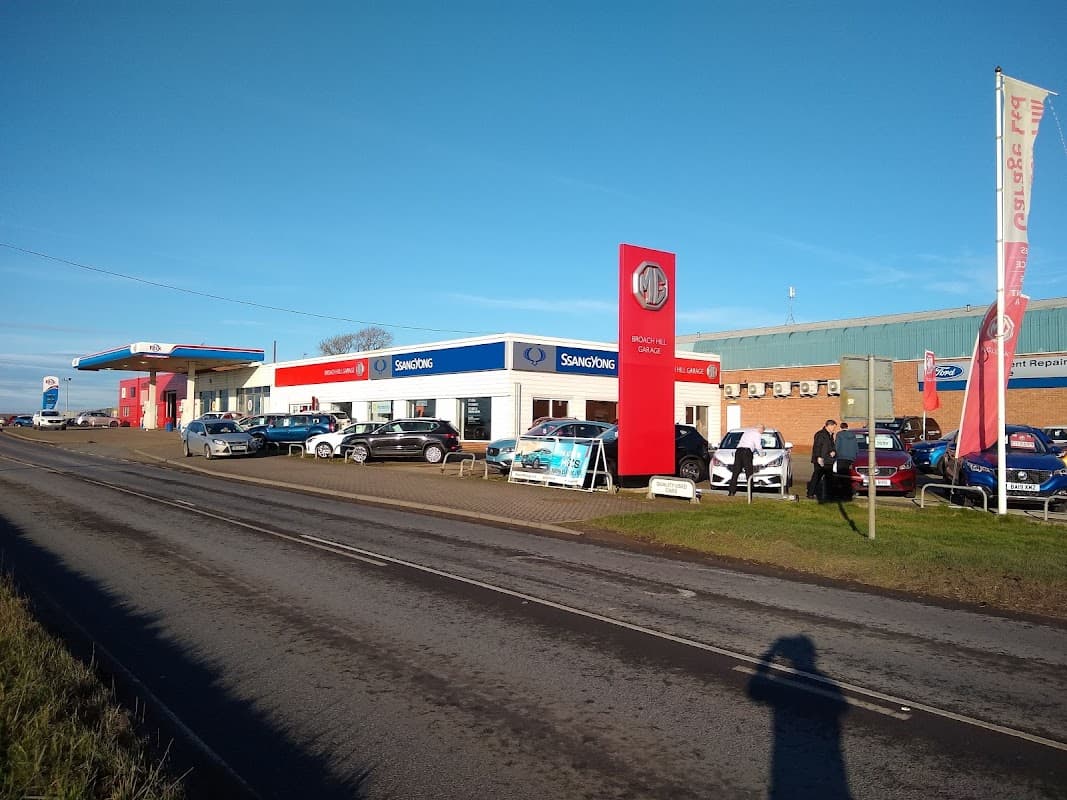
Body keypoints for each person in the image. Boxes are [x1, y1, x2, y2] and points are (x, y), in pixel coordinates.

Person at [728, 424, 765, 496]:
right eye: (762, 431)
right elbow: (758, 446)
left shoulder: (747, 432)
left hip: (738, 451)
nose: (761, 433)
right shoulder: (757, 434)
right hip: (747, 452)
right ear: (761, 429)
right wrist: (761, 454)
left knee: (736, 471)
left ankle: (731, 491)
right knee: (749, 471)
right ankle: (750, 491)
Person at [806, 419, 837, 501]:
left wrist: (833, 452)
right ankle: (810, 493)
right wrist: (818, 457)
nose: (834, 429)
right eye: (833, 427)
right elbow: (817, 447)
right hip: (821, 460)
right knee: (817, 477)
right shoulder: (820, 434)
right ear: (829, 426)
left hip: (829, 460)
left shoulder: (830, 435)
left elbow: (831, 446)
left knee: (829, 478)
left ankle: (827, 495)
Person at [833, 421, 858, 500]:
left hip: (841, 457)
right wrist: (855, 455)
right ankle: (849, 491)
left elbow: (837, 445)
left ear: (841, 427)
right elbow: (856, 447)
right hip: (851, 457)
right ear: (847, 427)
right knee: (847, 474)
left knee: (840, 475)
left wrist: (835, 455)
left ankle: (842, 492)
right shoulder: (853, 435)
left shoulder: (839, 434)